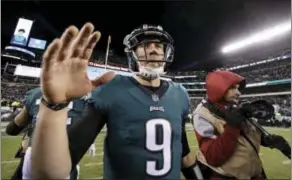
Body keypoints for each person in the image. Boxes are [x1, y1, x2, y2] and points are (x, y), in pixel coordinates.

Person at [31, 23, 198, 179]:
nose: (154, 50)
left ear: (166, 52)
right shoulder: (111, 90)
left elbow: (183, 151)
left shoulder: (180, 94)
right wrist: (54, 106)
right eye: (146, 45)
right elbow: (52, 172)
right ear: (132, 54)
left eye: (158, 45)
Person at [192, 70, 290, 179]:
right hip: (224, 176)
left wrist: (265, 139)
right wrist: (232, 126)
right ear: (217, 88)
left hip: (253, 173)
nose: (238, 93)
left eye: (238, 88)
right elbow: (213, 157)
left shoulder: (234, 105)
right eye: (232, 88)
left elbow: (245, 134)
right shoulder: (201, 114)